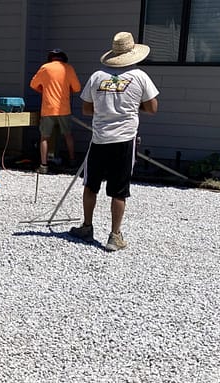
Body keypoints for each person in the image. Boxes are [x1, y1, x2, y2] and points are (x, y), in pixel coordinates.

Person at [69, 32, 159, 252]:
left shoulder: (98, 76)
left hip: (99, 138)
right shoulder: (139, 76)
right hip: (124, 139)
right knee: (119, 190)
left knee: (91, 185)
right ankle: (114, 236)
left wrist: (107, 107)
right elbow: (152, 108)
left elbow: (87, 108)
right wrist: (129, 106)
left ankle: (87, 226)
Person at [29, 48, 81, 173]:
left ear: (50, 58)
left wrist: (44, 90)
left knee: (44, 138)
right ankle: (72, 161)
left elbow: (33, 84)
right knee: (68, 135)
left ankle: (43, 166)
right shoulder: (68, 68)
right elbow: (77, 88)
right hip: (64, 109)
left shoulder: (45, 68)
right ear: (63, 58)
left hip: (48, 108)